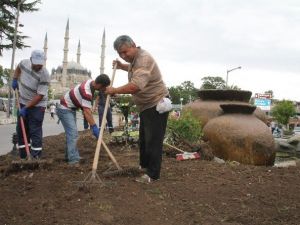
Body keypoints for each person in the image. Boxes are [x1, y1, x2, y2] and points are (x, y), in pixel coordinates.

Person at [105, 35, 170, 183]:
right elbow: (134, 69)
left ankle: (153, 175)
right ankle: (144, 166)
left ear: (134, 45)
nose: (123, 55)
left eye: (125, 52)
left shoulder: (143, 59)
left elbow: (135, 86)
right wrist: (122, 66)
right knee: (144, 140)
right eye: (120, 53)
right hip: (146, 106)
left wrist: (114, 90)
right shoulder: (135, 60)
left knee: (153, 141)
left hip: (156, 104)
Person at [56, 74, 110, 165]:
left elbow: (86, 108)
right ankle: (73, 160)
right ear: (99, 84)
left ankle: (69, 155)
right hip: (64, 108)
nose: (102, 90)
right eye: (103, 87)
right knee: (73, 134)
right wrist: (94, 127)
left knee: (71, 134)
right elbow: (86, 112)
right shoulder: (87, 91)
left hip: (70, 108)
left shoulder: (91, 83)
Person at [12, 49, 50, 159]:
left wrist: (26, 108)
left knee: (35, 130)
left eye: (40, 64)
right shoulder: (24, 63)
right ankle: (24, 156)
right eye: (36, 63)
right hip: (23, 102)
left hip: (38, 105)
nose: (38, 66)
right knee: (21, 129)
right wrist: (15, 79)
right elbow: (18, 68)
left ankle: (35, 157)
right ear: (31, 60)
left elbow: (39, 96)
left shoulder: (45, 74)